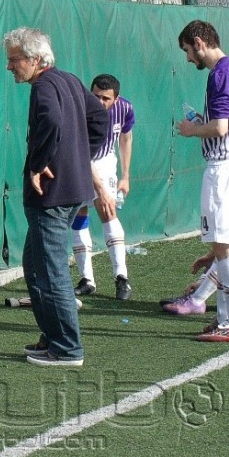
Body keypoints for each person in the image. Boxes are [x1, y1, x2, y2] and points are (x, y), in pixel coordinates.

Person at [3, 27, 109, 367]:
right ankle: (52, 337)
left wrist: (40, 163)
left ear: (35, 60)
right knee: (35, 267)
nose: (10, 67)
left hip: (51, 195)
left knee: (50, 271)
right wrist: (74, 156)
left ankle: (67, 349)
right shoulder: (68, 80)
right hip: (69, 190)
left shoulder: (46, 85)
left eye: (14, 60)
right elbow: (100, 120)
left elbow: (52, 119)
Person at [176, 20, 229, 342]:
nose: (188, 59)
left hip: (226, 166)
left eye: (187, 50)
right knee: (227, 244)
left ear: (199, 42)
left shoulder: (221, 73)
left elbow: (221, 128)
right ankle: (226, 318)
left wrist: (191, 130)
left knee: (224, 245)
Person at [72, 74, 135, 300]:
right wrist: (96, 185)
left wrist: (125, 176)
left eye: (105, 98)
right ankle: (87, 279)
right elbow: (80, 149)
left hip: (105, 161)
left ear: (116, 100)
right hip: (80, 160)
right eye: (95, 96)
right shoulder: (80, 109)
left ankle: (121, 278)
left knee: (108, 211)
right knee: (79, 214)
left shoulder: (125, 108)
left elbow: (126, 139)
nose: (99, 102)